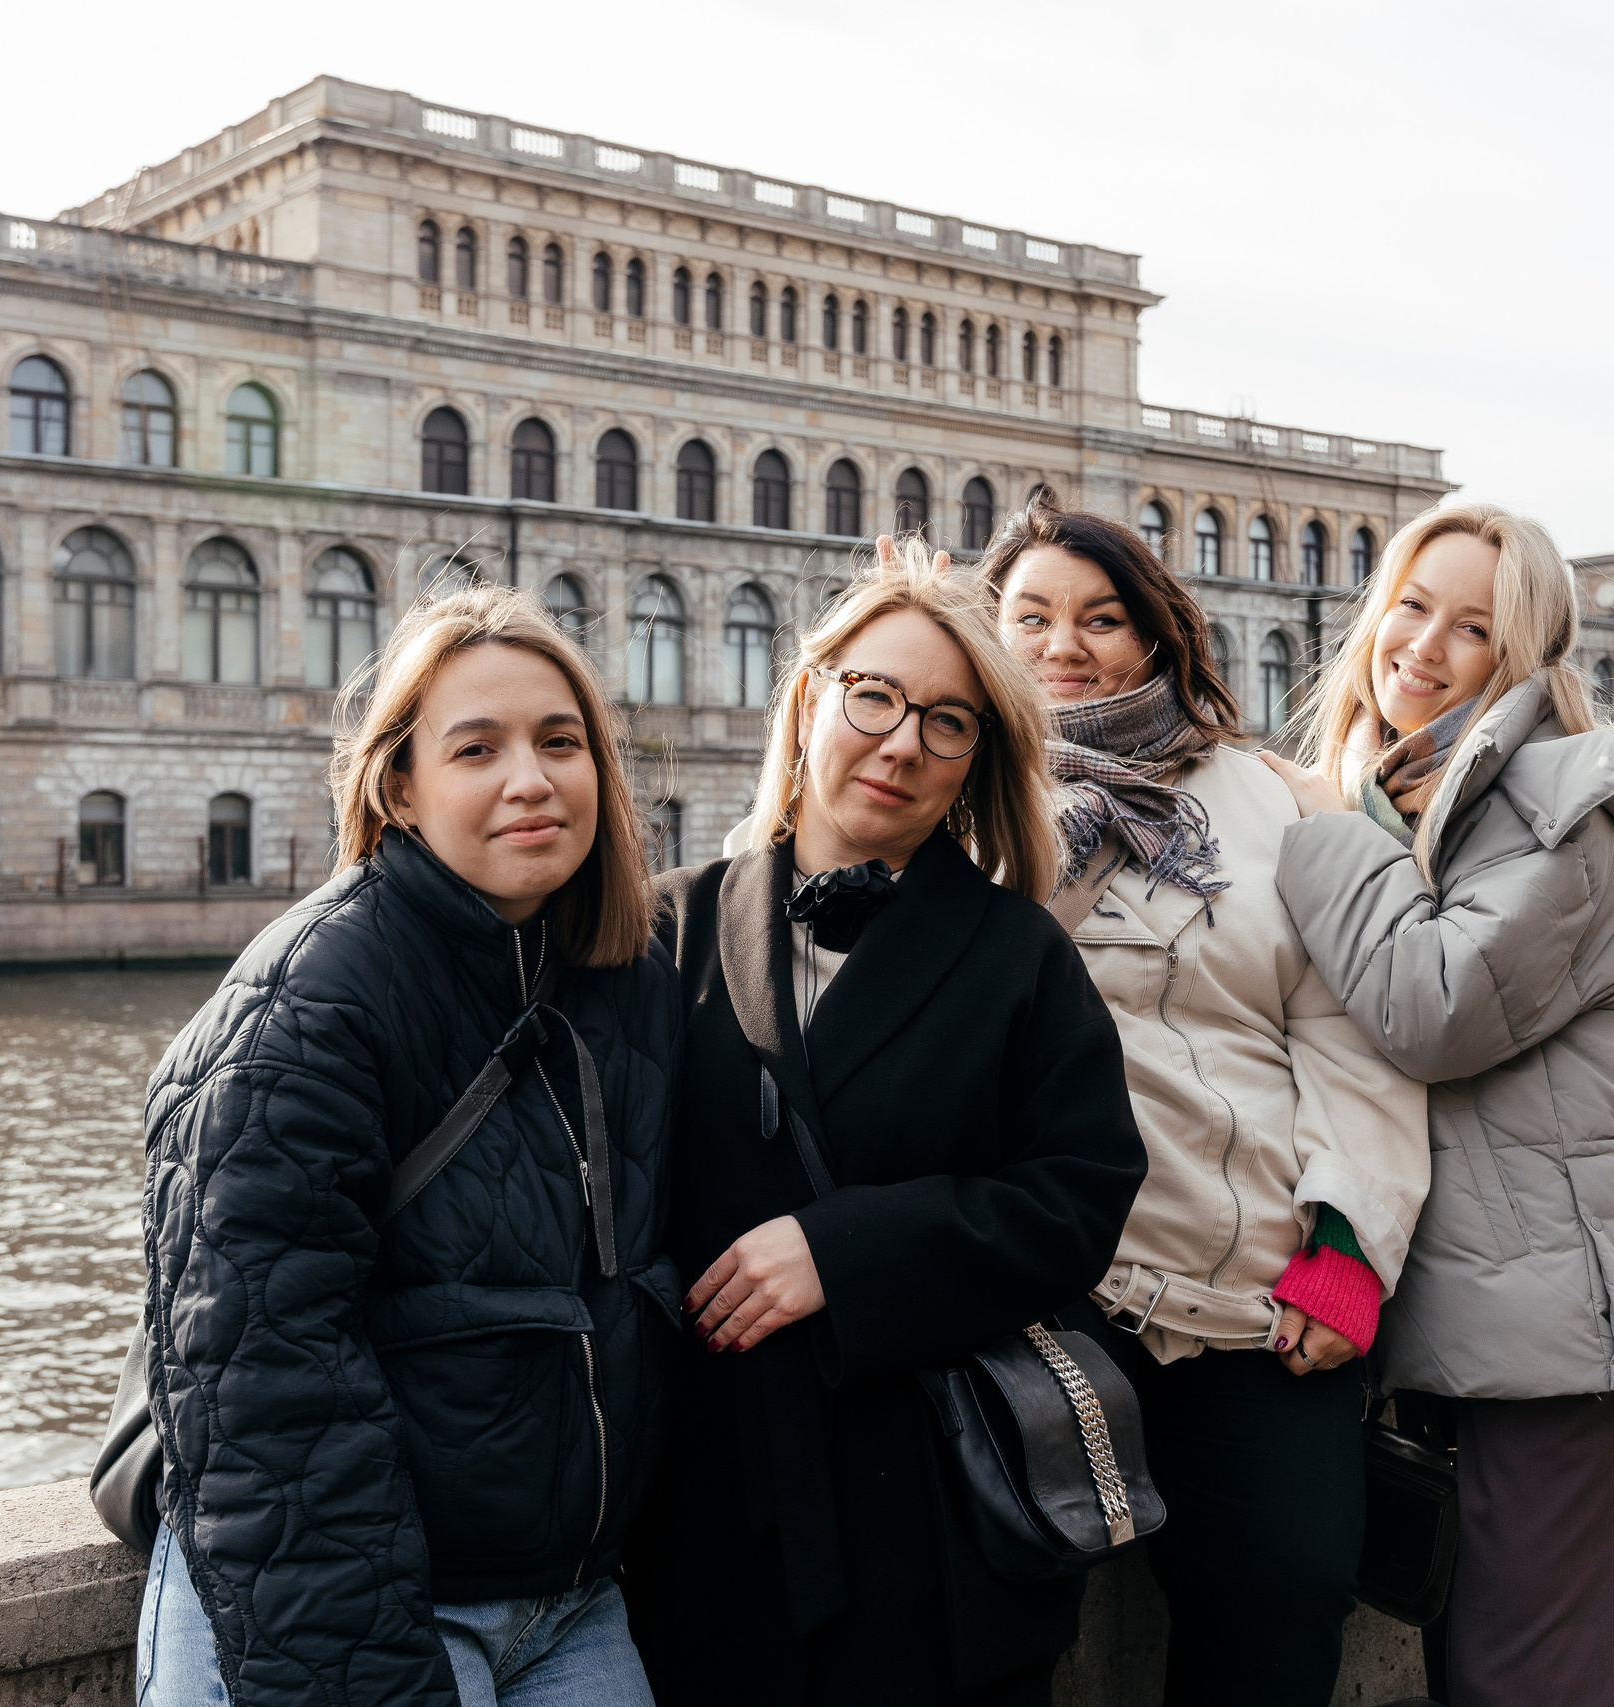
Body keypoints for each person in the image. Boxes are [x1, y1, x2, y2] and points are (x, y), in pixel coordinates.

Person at [137, 586, 678, 1707]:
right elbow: (263, 1396)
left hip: (569, 1598)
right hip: (368, 1599)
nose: (529, 778)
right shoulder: (309, 1007)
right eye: (476, 748)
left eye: (560, 742)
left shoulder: (626, 981)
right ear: (399, 787)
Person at [637, 545, 1148, 1707]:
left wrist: (845, 1252)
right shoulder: (664, 928)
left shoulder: (1021, 957)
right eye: (875, 695)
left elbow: (1079, 1202)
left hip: (934, 1522)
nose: (904, 741)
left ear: (976, 762)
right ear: (812, 697)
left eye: (949, 721)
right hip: (709, 1508)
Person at [974, 499, 1430, 1706]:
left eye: (1099, 617)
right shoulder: (949, 791)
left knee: (1282, 1602)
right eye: (1028, 617)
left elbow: (1352, 1038)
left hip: (1244, 1304)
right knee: (997, 1622)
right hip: (1039, 1292)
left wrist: (1348, 1247)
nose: (1062, 645)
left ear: (1160, 636)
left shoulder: (1278, 804)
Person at [1259, 500, 1614, 1707]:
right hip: (1506, 1310)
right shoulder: (1418, 801)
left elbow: (1432, 1005)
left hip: (1561, 1323)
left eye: (1470, 628)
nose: (1421, 644)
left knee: (1540, 1675)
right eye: (1409, 605)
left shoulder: (1550, 809)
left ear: (1517, 660)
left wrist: (1312, 832)